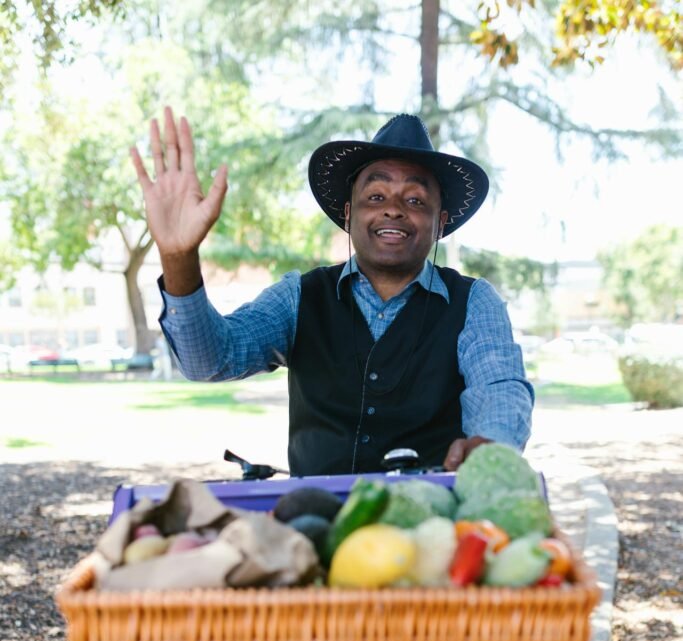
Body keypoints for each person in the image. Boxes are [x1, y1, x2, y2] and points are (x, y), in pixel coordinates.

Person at [131, 107, 534, 476]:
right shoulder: (299, 297)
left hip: (431, 528)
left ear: (440, 222)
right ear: (348, 214)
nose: (393, 209)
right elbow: (209, 359)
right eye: (375, 196)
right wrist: (178, 257)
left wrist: (492, 444)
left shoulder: (473, 302)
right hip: (317, 528)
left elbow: (499, 387)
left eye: (415, 199)